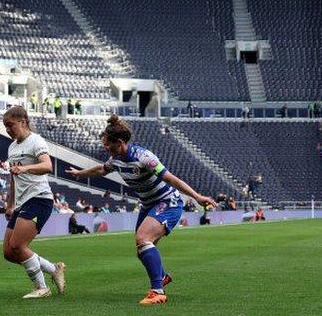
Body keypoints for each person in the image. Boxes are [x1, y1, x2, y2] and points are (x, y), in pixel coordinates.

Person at [69, 115, 217, 305]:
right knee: (141, 250)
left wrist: (197, 197)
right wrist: (80, 173)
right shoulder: (115, 160)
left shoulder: (144, 157)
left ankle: (158, 292)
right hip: (148, 205)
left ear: (120, 142)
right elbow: (101, 169)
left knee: (143, 239)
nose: (105, 148)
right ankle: (162, 277)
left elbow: (171, 179)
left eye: (108, 144)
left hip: (167, 201)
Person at [1, 106, 66, 299]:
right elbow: (14, 178)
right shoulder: (12, 147)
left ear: (23, 121)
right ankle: (53, 269)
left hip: (39, 198)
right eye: (5, 126)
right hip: (21, 203)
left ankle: (42, 287)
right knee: (9, 252)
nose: (7, 130)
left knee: (18, 245)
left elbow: (47, 165)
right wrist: (10, 204)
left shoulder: (35, 141)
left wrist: (25, 168)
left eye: (10, 125)